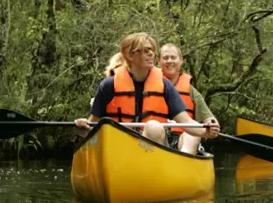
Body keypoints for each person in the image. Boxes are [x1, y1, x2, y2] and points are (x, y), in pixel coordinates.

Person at [74, 33, 219, 155]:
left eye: (151, 50)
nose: (151, 53)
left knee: (154, 126)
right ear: (130, 56)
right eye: (145, 50)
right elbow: (92, 126)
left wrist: (206, 132)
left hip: (150, 155)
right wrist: (82, 128)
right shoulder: (108, 86)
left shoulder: (164, 85)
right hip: (118, 151)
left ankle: (151, 173)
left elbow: (186, 122)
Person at [157, 43, 220, 131]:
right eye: (165, 58)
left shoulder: (191, 91)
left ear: (181, 60)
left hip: (184, 137)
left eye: (173, 57)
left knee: (192, 136)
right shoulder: (148, 84)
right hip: (157, 136)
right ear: (158, 61)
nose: (169, 61)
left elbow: (209, 118)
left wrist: (211, 124)